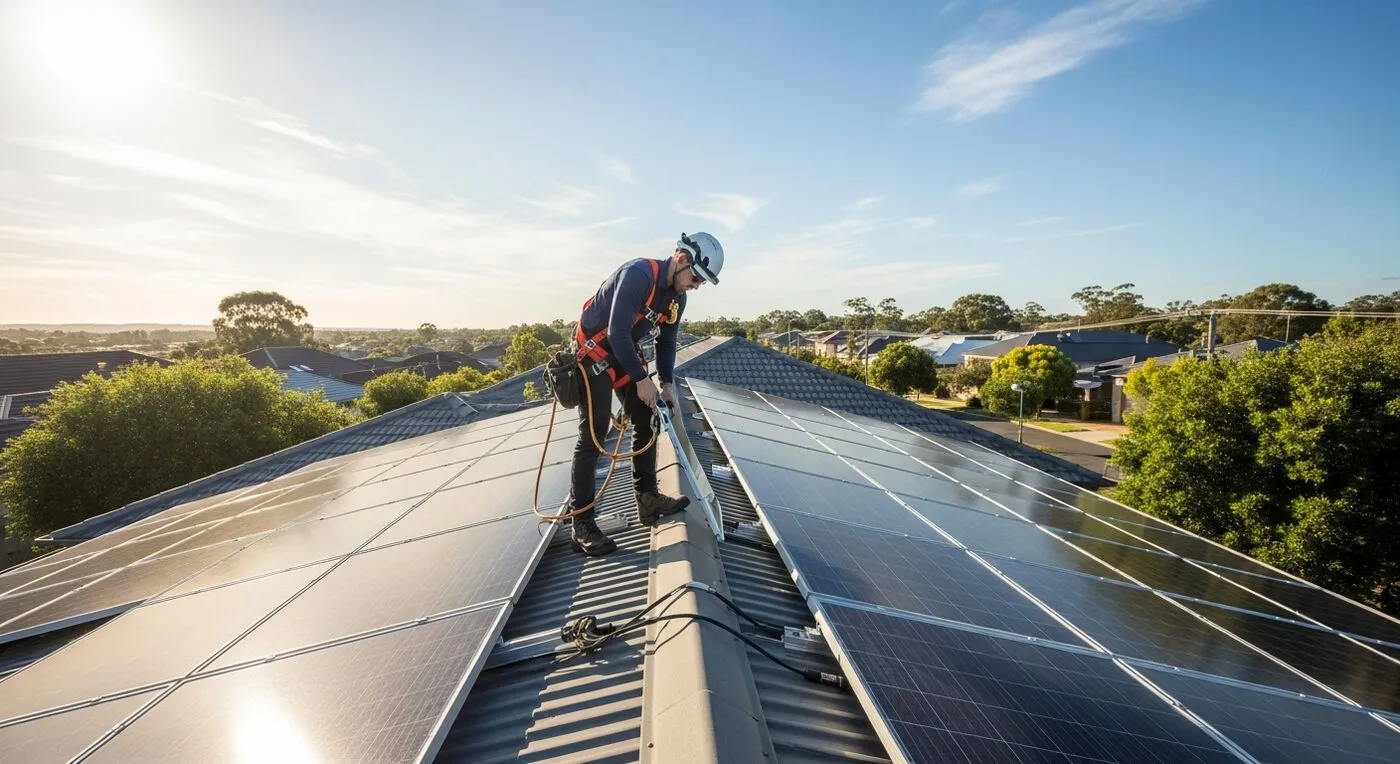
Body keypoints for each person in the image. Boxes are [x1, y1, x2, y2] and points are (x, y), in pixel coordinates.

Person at [566, 232, 725, 556]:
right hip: (593, 354)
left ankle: (647, 497)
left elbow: (666, 342)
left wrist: (665, 384)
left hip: (622, 353)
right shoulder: (638, 275)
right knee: (594, 435)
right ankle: (580, 523)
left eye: (700, 283)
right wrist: (641, 379)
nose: (695, 286)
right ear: (681, 259)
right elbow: (617, 331)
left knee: (648, 417)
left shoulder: (676, 299)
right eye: (695, 278)